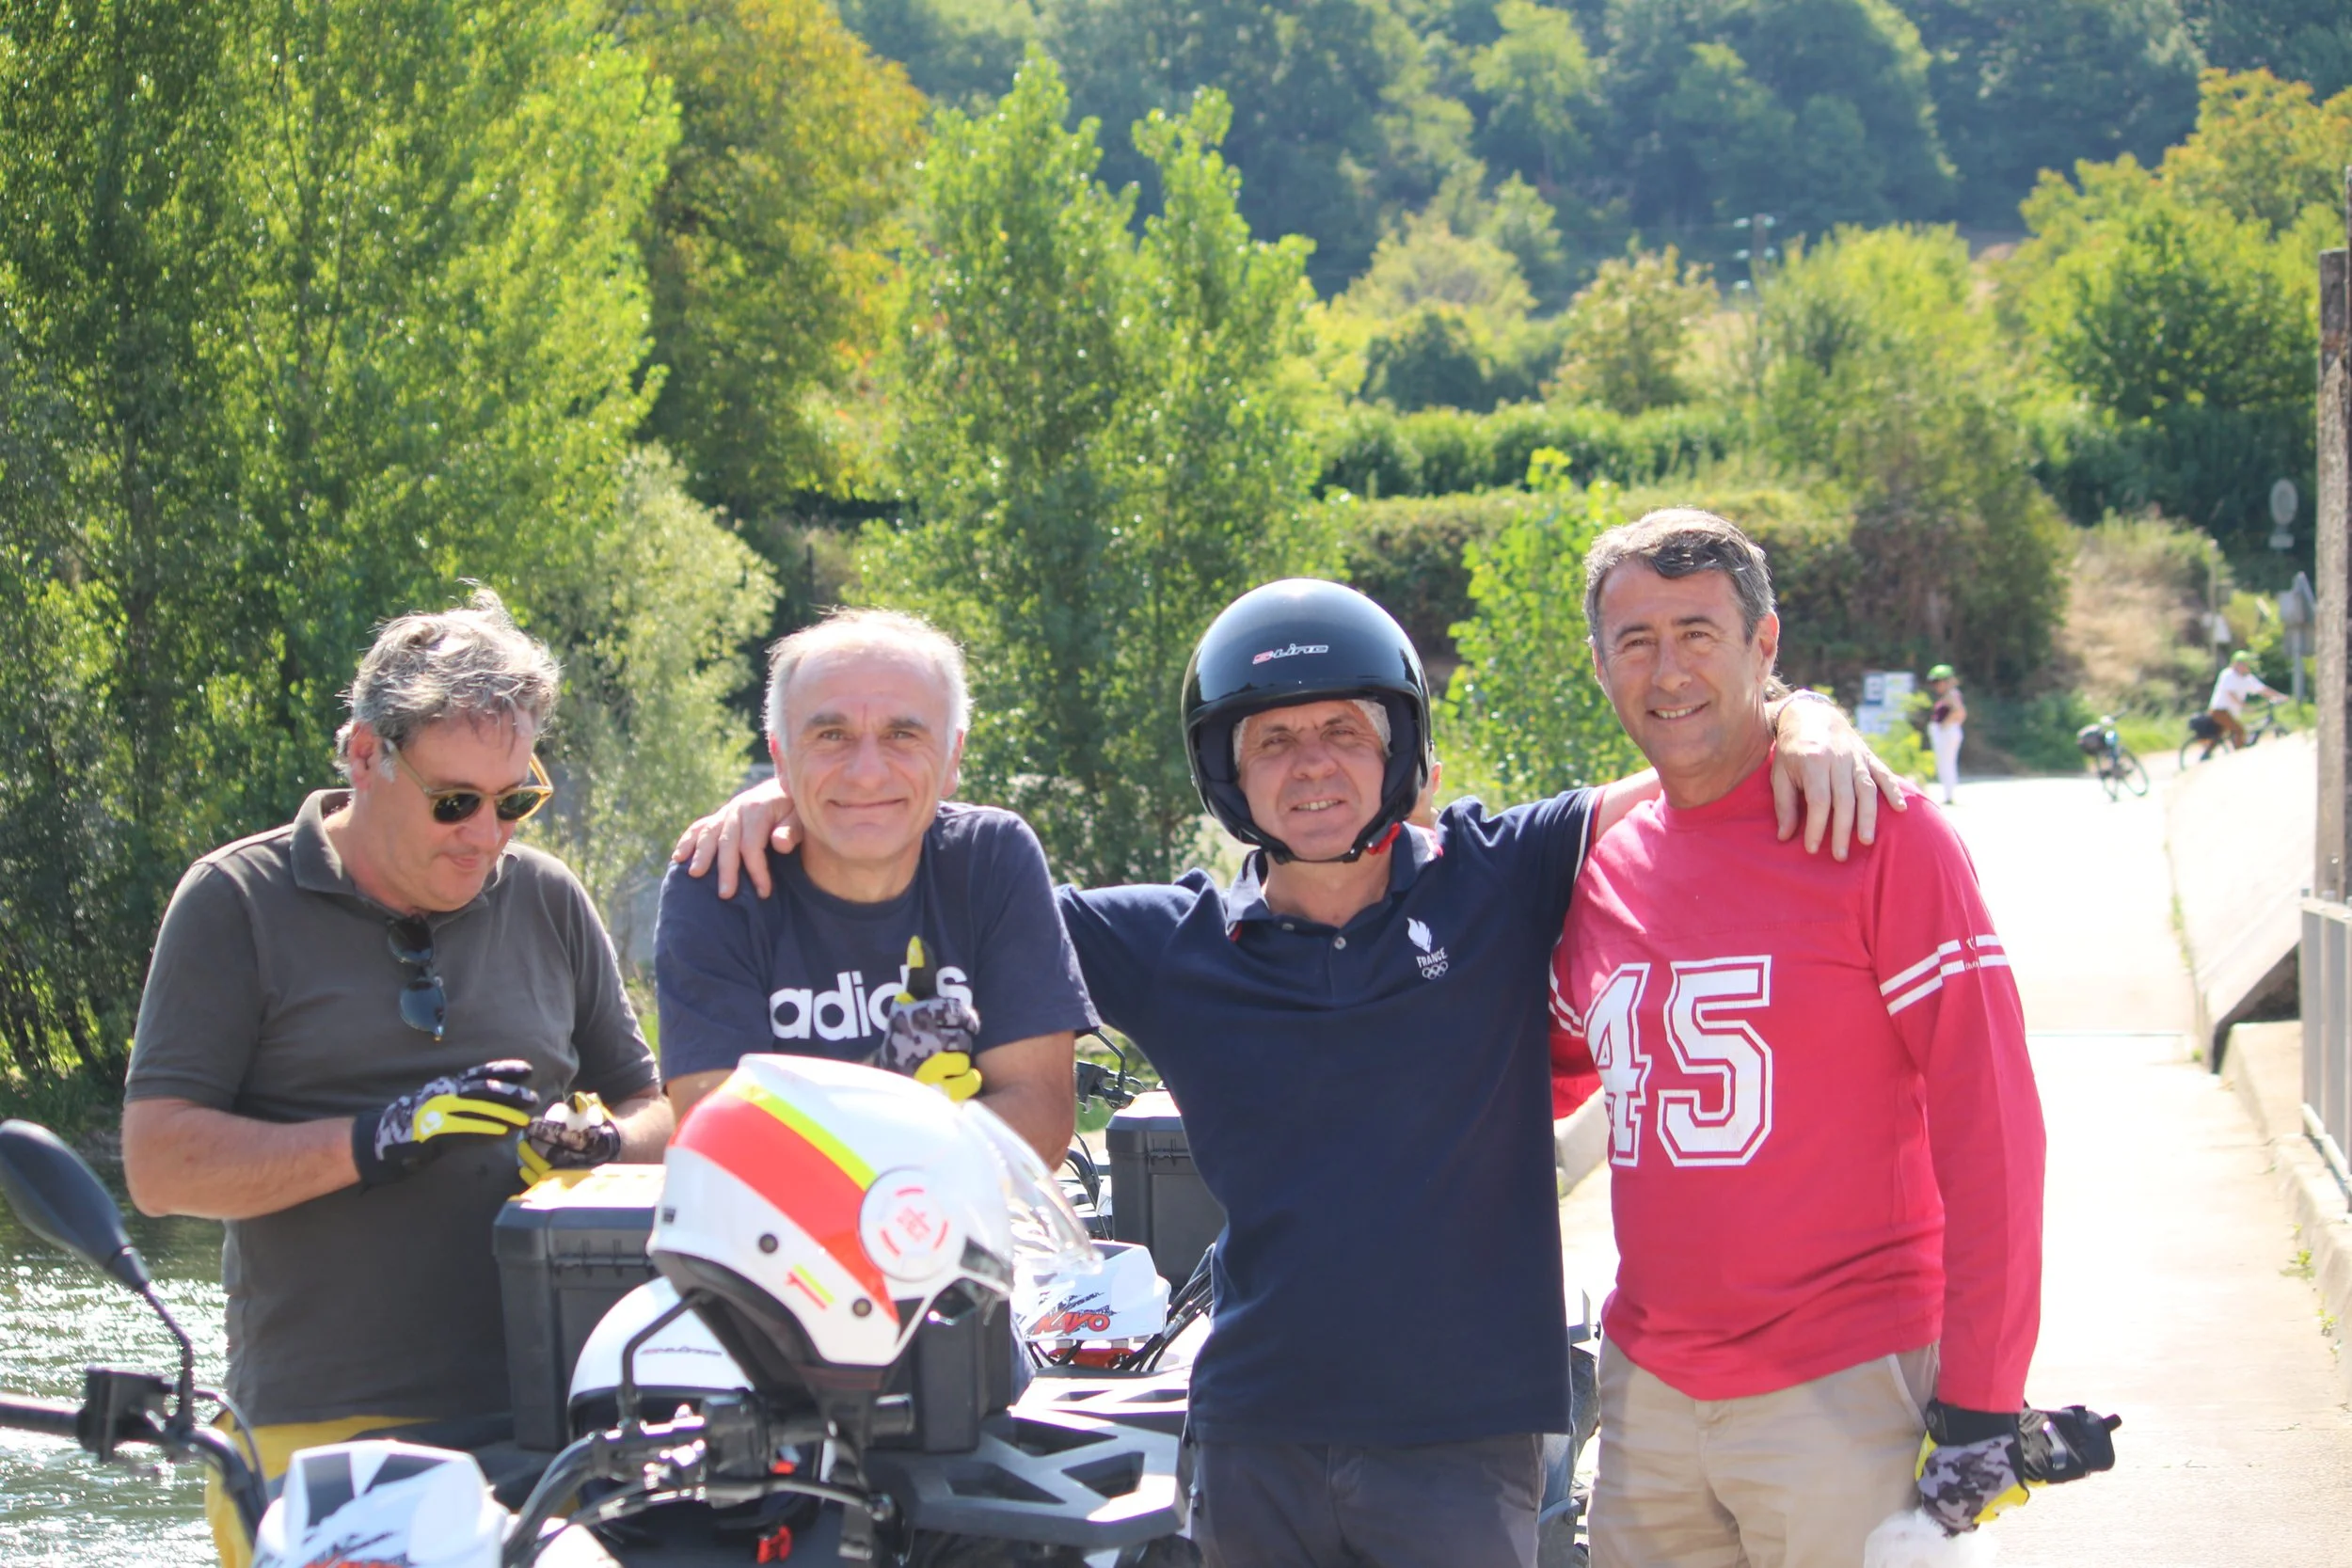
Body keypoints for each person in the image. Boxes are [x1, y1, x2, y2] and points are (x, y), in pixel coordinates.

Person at [675, 578, 1900, 1568]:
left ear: (1398, 746)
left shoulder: (1497, 875)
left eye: (1342, 733)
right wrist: (782, 804)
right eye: (1275, 741)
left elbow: (1698, 764)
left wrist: (1804, 717)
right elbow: (922, 878)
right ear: (1231, 772)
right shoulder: (1166, 941)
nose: (1312, 765)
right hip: (1254, 1426)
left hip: (1460, 1441)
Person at [120, 590, 673, 1565]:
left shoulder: (547, 896)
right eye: (455, 800)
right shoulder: (234, 900)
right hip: (319, 1430)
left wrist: (601, 1145)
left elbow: (658, 1108)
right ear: (364, 754)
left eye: (517, 800)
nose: (486, 831)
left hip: (552, 1416)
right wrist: (379, 1137)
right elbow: (161, 1165)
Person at [1549, 512, 2045, 1566]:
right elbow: (1522, 1075)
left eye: (1698, 631)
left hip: (1847, 1387)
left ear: (1765, 644)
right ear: (1598, 666)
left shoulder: (1880, 832)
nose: (1668, 668)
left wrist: (1982, 1401)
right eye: (1636, 640)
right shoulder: (1595, 875)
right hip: (1648, 1405)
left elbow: (1991, 1126)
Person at [655, 608, 1090, 1167]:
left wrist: (846, 1132)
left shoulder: (992, 859)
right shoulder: (719, 879)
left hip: (961, 1247)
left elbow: (1042, 1125)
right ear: (781, 759)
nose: (866, 772)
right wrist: (897, 1096)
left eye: (902, 735)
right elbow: (719, 1147)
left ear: (953, 756)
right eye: (831, 735)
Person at [2203, 648, 2285, 754]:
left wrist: (2279, 696)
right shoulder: (2228, 674)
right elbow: (2230, 693)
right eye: (2241, 663)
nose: (2244, 666)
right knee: (2239, 731)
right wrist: (2243, 705)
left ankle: (2206, 755)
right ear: (2235, 664)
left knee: (2220, 735)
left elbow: (2262, 689)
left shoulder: (2247, 678)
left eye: (2245, 664)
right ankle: (2238, 755)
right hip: (2219, 711)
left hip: (2231, 712)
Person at [1926, 661, 1965, 806]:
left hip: (1946, 732)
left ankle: (1949, 795)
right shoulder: (1951, 694)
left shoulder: (1951, 695)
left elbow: (1959, 712)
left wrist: (1945, 724)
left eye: (1938, 682)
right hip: (1947, 731)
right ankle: (1948, 793)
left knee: (1945, 764)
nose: (1936, 686)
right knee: (1945, 763)